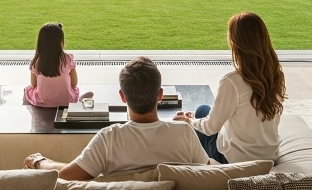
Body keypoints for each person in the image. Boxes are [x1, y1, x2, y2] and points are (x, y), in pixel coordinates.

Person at [23, 56, 209, 180]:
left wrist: (39, 161)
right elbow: (213, 173)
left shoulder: (108, 138)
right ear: (160, 95)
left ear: (122, 96)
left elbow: (66, 175)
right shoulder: (185, 133)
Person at [173, 12, 285, 164]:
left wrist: (190, 122)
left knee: (195, 125)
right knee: (202, 110)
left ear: (236, 43)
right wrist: (194, 117)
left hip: (237, 158)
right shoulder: (276, 75)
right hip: (269, 156)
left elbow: (210, 128)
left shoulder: (232, 82)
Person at [24, 22, 91, 107]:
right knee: (74, 90)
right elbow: (74, 83)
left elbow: (34, 84)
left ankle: (27, 104)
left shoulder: (37, 61)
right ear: (61, 42)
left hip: (42, 102)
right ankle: (81, 100)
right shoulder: (68, 59)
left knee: (28, 90)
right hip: (66, 102)